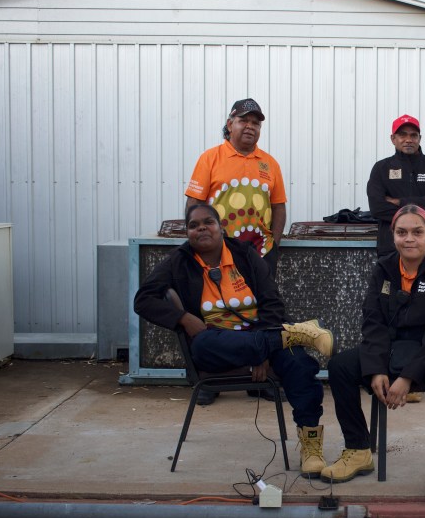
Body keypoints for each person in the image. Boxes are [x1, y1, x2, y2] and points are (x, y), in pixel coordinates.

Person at [134, 203, 332, 477]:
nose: (201, 228)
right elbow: (143, 299)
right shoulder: (178, 261)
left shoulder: (244, 254)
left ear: (221, 227)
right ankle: (293, 334)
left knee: (301, 364)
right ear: (188, 232)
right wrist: (183, 318)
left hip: (260, 335)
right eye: (193, 225)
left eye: (208, 222)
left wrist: (260, 352)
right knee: (202, 343)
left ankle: (311, 447)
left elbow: (272, 303)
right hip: (217, 346)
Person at [320, 205, 425, 501]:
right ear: (392, 235)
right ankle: (358, 450)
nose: (409, 239)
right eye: (402, 232)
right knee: (342, 365)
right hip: (402, 344)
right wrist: (377, 367)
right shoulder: (384, 268)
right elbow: (374, 322)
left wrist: (406, 378)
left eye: (417, 232)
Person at [185, 98, 286, 272]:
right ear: (230, 125)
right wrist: (197, 243)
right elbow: (193, 204)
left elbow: (279, 208)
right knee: (219, 298)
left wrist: (273, 248)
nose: (250, 126)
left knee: (261, 299)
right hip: (217, 253)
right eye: (243, 120)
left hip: (260, 254)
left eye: (255, 123)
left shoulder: (271, 164)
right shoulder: (209, 158)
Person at [367, 115, 425, 257]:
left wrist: (398, 201)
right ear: (393, 139)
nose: (408, 140)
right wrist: (424, 203)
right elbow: (377, 208)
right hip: (391, 247)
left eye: (413, 135)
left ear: (419, 138)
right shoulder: (381, 168)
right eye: (402, 135)